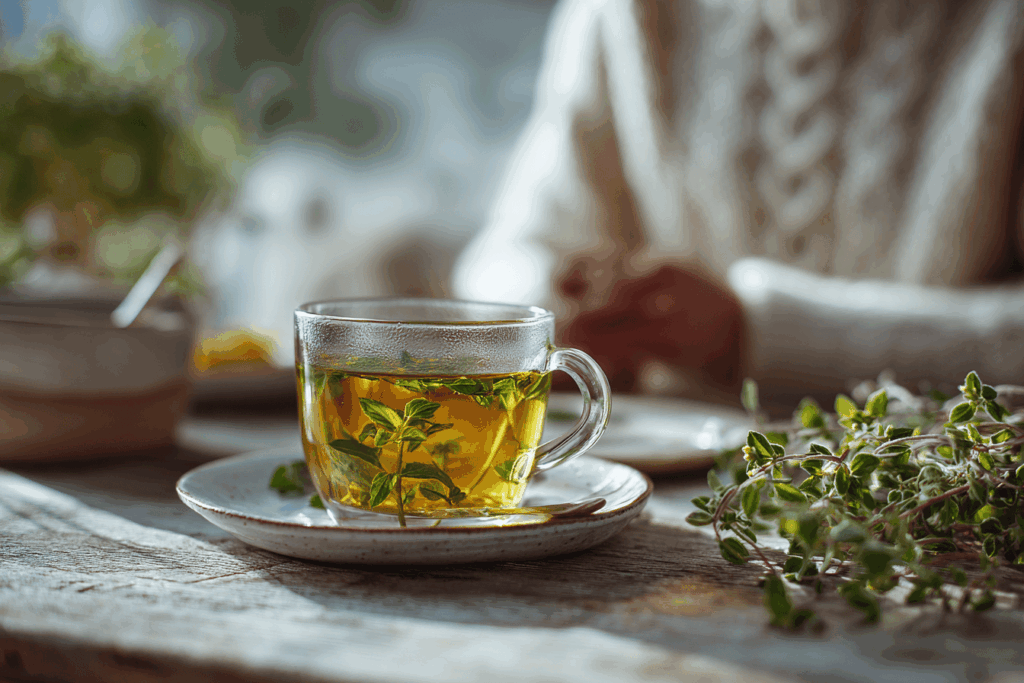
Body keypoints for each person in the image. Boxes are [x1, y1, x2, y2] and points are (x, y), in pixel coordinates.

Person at [452, 0, 1024, 409]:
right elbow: (508, 252)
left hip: (930, 502)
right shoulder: (629, 13)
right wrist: (554, 312)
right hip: (668, 491)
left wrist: (750, 334)